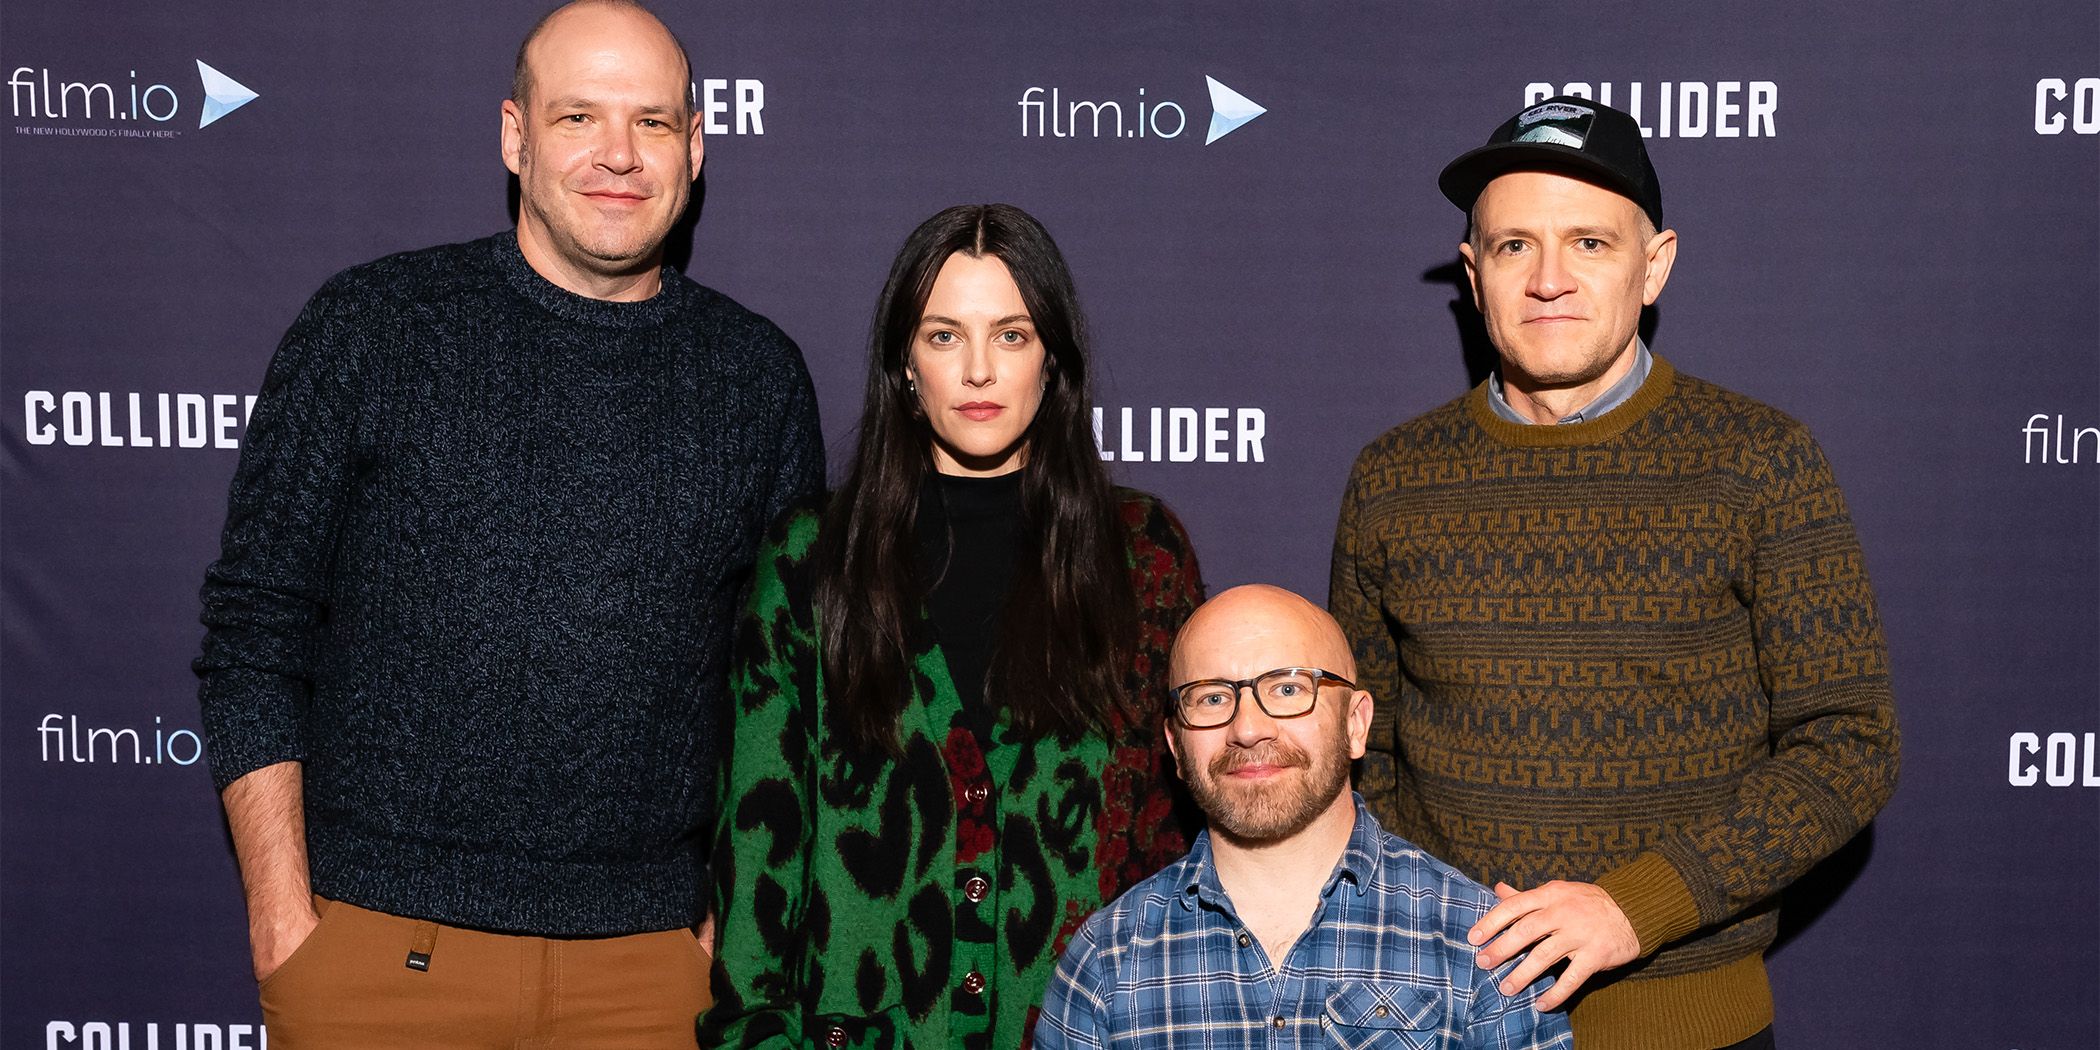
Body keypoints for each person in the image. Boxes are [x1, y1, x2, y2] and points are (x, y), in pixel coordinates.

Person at [192, 2, 823, 1044]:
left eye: (654, 123)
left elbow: (784, 690)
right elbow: (256, 630)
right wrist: (285, 925)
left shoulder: (757, 378)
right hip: (377, 956)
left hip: (654, 974)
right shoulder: (373, 327)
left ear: (697, 148)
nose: (618, 154)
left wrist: (719, 934)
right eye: (578, 116)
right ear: (514, 135)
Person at [1329, 96, 1899, 1050]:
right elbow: (1363, 747)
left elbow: (1848, 745)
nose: (1549, 279)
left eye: (1590, 242)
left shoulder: (1759, 459)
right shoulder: (1394, 476)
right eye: (1514, 247)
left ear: (1655, 263)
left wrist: (1633, 908)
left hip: (1689, 1028)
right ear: (1474, 276)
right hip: (1439, 1018)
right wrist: (1449, 923)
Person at [701, 203, 1204, 1050]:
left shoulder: (1141, 554)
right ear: (904, 362)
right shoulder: (810, 560)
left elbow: (1173, 836)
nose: (978, 370)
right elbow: (760, 850)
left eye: (1011, 335)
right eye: (944, 336)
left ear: (1053, 360)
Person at [1035, 584, 1573, 1049]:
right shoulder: (1105, 963)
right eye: (1211, 698)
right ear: (1176, 746)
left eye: (1288, 689)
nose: (1248, 728)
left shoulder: (1481, 946)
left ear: (1356, 724)